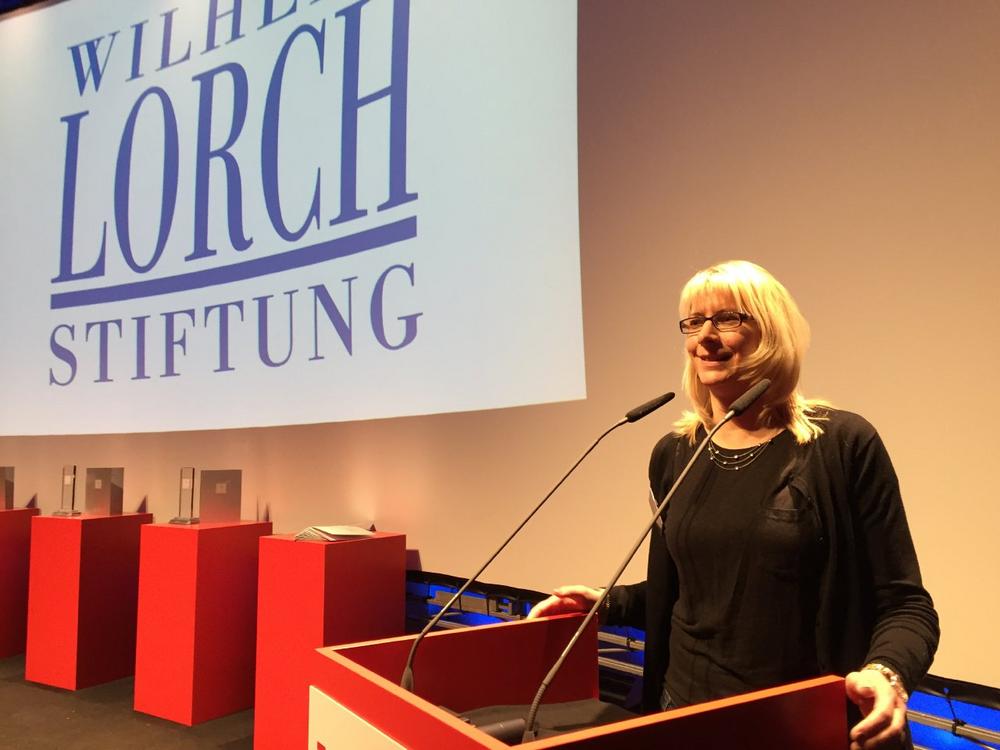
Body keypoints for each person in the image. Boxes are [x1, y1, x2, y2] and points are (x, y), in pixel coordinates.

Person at [528, 260, 939, 749]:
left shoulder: (841, 444)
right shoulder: (674, 453)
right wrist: (610, 602)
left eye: (727, 318)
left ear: (772, 331)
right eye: (693, 322)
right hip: (684, 715)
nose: (705, 337)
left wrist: (886, 671)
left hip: (797, 727)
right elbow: (695, 592)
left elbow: (907, 605)